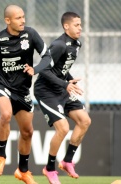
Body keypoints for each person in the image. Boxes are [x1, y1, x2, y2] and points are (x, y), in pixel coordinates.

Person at [0, 4, 53, 184]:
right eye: (18, 18)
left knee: (28, 131)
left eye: (23, 17)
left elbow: (48, 57)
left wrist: (35, 69)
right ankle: (1, 157)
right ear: (7, 20)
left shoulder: (31, 35)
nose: (23, 20)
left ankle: (23, 171)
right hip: (1, 85)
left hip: (22, 90)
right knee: (6, 114)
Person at [33, 12, 91, 184]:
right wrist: (65, 84)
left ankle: (67, 161)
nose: (80, 27)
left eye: (80, 24)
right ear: (66, 26)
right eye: (76, 25)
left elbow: (61, 69)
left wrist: (69, 80)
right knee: (63, 128)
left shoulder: (77, 44)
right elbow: (43, 69)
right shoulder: (59, 45)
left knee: (85, 121)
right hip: (46, 91)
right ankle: (49, 168)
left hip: (61, 88)